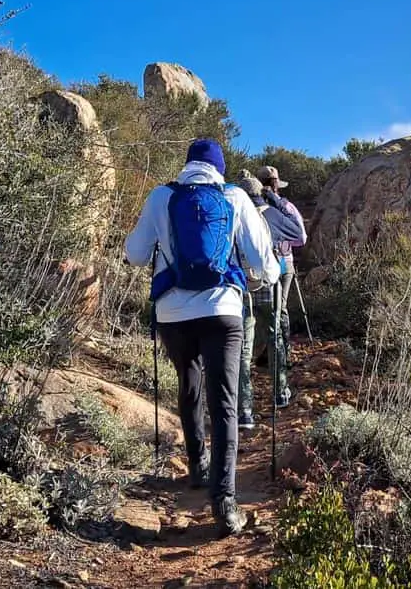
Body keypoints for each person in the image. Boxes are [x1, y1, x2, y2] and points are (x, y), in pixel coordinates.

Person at [123, 139, 280, 536]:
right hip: (223, 310)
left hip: (173, 314)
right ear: (219, 169)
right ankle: (225, 503)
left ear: (187, 165)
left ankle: (197, 467)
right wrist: (266, 276)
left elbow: (136, 255)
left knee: (188, 383)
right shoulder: (234, 197)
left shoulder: (162, 196)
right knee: (224, 401)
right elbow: (265, 264)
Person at [234, 172, 289, 430]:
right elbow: (297, 234)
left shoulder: (232, 215)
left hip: (241, 289)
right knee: (274, 336)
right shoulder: (270, 214)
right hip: (267, 284)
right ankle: (281, 393)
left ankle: (244, 411)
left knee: (243, 350)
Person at [253, 165, 307, 394]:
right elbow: (300, 237)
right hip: (280, 262)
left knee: (276, 307)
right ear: (275, 183)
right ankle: (276, 353)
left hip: (278, 264)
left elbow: (300, 236)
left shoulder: (273, 207)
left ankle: (279, 353)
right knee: (276, 308)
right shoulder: (284, 206)